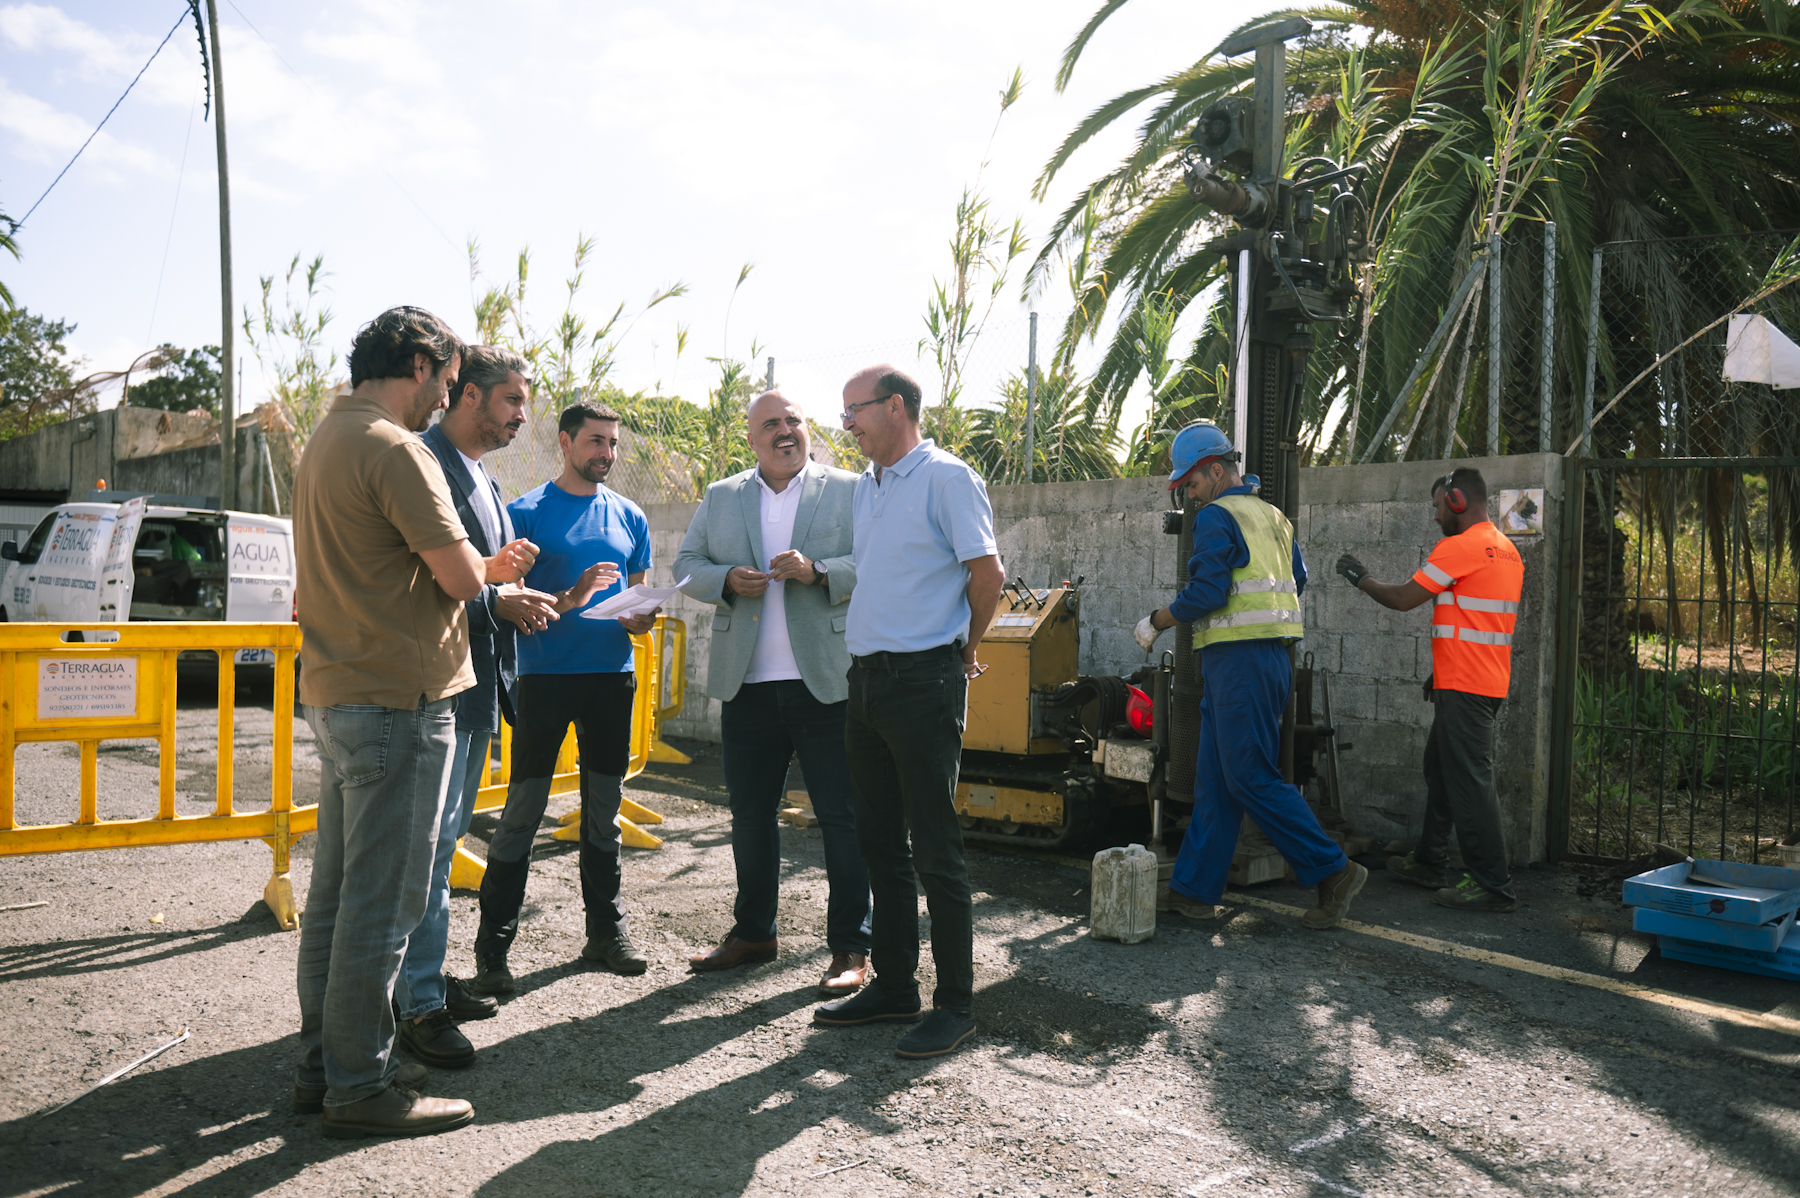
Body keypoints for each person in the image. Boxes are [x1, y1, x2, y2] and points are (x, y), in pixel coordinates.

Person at [291, 306, 538, 1138]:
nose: (448, 395)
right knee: (383, 904)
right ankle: (360, 1088)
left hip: (339, 691)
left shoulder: (327, 437)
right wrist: (491, 568)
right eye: (445, 378)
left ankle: (322, 1068)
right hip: (399, 699)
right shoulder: (396, 449)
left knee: (334, 898)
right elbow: (464, 579)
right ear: (422, 364)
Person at [811, 365, 1004, 1060]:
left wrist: (966, 649)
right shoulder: (870, 486)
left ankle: (956, 1004)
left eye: (854, 411)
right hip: (866, 683)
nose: (847, 425)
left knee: (934, 846)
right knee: (880, 841)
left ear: (896, 407)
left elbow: (988, 577)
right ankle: (895, 985)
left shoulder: (947, 478)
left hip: (924, 679)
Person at [674, 389, 872, 993]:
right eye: (771, 424)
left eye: (794, 421)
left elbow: (881, 560)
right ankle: (754, 932)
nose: (785, 431)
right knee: (750, 816)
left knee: (842, 818)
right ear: (752, 437)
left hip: (827, 683)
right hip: (748, 686)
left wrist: (819, 572)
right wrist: (725, 580)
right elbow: (686, 566)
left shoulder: (850, 487)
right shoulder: (723, 495)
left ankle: (850, 949)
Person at [397, 346, 559, 1068]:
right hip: (436, 687)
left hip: (477, 686)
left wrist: (503, 582)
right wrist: (497, 595)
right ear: (466, 395)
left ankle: (424, 981)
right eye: (512, 401)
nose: (523, 417)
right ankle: (415, 1005)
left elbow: (472, 579)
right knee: (423, 854)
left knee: (440, 849)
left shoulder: (480, 474)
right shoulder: (420, 463)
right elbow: (420, 581)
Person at [1136, 421, 1365, 930]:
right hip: (1262, 660)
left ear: (1216, 471)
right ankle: (1194, 891)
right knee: (1216, 781)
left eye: (1191, 484)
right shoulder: (1274, 517)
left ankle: (1334, 871)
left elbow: (1207, 594)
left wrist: (1157, 621)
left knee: (1251, 778)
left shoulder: (1218, 516)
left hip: (1240, 663)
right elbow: (1295, 580)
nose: (1189, 496)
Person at [471, 400, 659, 991]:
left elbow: (640, 598)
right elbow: (512, 610)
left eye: (612, 442)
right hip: (545, 681)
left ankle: (606, 933)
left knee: (603, 815)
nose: (606, 452)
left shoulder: (630, 516)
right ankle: (493, 954)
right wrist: (575, 597)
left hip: (612, 679)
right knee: (522, 815)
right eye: (596, 441)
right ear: (565, 442)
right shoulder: (523, 513)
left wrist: (640, 619)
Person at [1335, 467, 1523, 913]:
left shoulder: (1461, 546)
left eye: (1439, 506)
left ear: (1457, 501)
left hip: (1466, 689)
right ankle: (1428, 860)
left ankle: (1492, 884)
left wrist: (1360, 578)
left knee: (1472, 782)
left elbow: (1403, 598)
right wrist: (1442, 672)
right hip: (1479, 680)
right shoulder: (1506, 549)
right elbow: (1478, 622)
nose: (1436, 516)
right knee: (1441, 768)